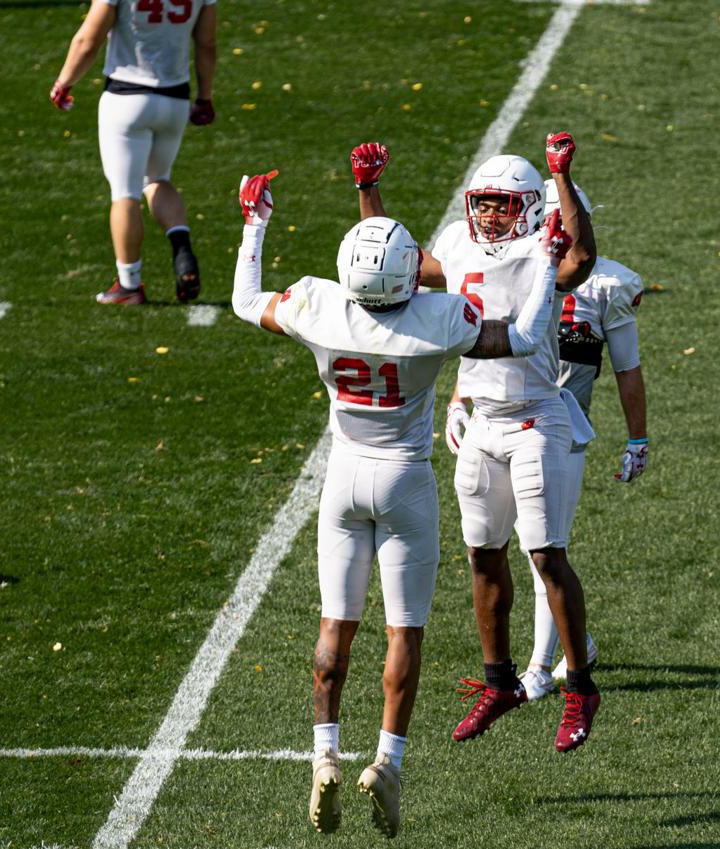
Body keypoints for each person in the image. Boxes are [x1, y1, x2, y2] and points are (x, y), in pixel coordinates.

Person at [230, 169, 570, 836]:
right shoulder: (437, 319)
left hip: (344, 479)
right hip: (406, 481)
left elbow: (246, 299)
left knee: (336, 625)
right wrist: (549, 268)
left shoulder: (320, 307)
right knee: (402, 629)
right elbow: (525, 338)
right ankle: (387, 761)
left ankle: (325, 750)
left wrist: (255, 221)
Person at [352, 135, 603, 752]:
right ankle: (500, 682)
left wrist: (561, 176)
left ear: (529, 206)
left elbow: (582, 260)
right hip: (480, 420)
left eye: (501, 204)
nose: (490, 215)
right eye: (483, 203)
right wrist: (368, 190)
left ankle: (580, 687)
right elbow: (392, 266)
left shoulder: (542, 249)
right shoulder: (461, 243)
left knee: (545, 554)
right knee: (482, 555)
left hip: (536, 416)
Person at [446, 179, 648, 701]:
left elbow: (628, 367)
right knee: (499, 549)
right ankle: (576, 640)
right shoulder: (507, 265)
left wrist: (637, 438)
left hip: (563, 425)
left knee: (545, 552)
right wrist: (459, 398)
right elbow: (478, 339)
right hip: (498, 421)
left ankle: (538, 667)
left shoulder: (607, 283)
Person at [49, 0, 217, 305]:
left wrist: (64, 82)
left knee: (125, 193)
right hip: (175, 99)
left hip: (126, 97)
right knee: (157, 180)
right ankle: (182, 249)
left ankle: (128, 285)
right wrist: (205, 96)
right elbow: (206, 43)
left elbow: (89, 38)